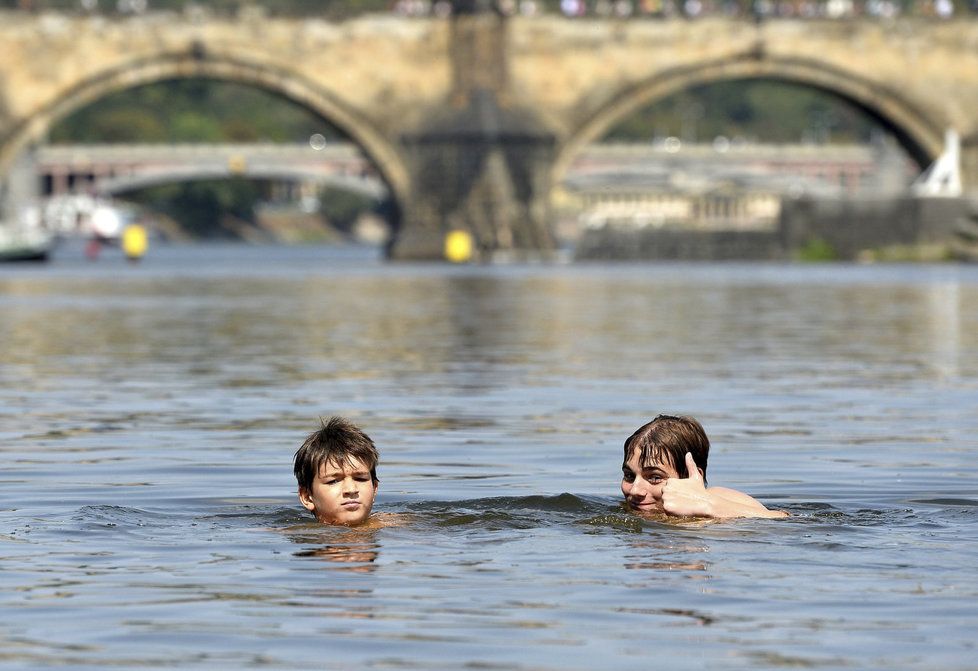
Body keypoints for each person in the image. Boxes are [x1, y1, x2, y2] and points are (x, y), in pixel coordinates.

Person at [621, 414, 787, 519]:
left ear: (693, 476)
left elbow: (782, 519)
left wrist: (707, 506)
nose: (635, 490)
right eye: (629, 475)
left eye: (655, 477)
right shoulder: (628, 512)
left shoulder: (718, 498)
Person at [294, 417, 380, 526]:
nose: (351, 489)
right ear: (307, 497)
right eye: (333, 481)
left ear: (375, 489)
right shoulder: (298, 532)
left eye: (360, 479)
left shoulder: (398, 526)